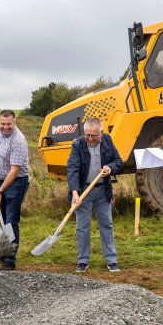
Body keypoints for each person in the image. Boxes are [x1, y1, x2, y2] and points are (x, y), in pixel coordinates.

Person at [66, 117, 123, 273]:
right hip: (83, 191)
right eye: (87, 135)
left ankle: (111, 260)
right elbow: (72, 169)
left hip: (102, 190)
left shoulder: (107, 141)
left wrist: (110, 168)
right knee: (82, 227)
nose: (90, 139)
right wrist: (75, 193)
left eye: (94, 136)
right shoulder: (78, 144)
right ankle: (83, 260)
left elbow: (118, 161)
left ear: (101, 133)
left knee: (107, 224)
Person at [0, 110, 30, 271]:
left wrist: (0, 192)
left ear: (14, 122)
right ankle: (0, 252)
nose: (5, 127)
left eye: (9, 124)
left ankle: (9, 260)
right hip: (1, 178)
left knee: (10, 219)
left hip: (16, 181)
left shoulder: (19, 141)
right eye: (3, 123)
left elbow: (14, 171)